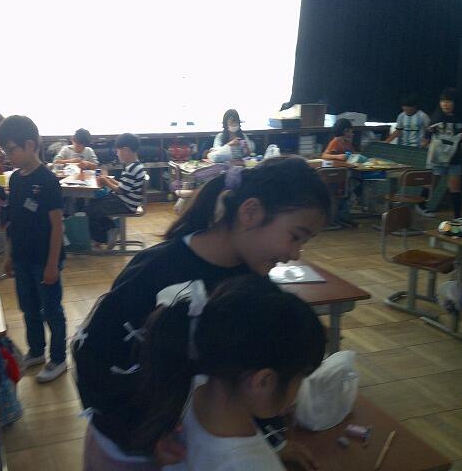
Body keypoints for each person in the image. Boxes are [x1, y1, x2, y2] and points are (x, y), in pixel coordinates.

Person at [73, 157, 330, 470]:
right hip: (127, 450)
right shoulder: (154, 272)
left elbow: (249, 374)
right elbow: (94, 361)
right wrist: (148, 437)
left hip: (195, 448)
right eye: (295, 236)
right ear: (250, 212)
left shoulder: (253, 285)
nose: (295, 254)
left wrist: (274, 440)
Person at [127, 275, 326, 471]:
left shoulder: (187, 387)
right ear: (263, 381)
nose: (298, 391)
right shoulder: (255, 465)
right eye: (300, 378)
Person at [0, 115, 68, 383]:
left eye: (10, 150)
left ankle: (58, 358)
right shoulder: (15, 179)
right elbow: (14, 222)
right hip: (22, 258)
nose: (8, 157)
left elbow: (57, 226)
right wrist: (10, 255)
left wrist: (52, 264)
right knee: (28, 308)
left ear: (29, 145)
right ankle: (37, 351)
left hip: (44, 260)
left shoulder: (48, 180)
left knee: (52, 310)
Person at [86, 133, 146, 248]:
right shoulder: (135, 166)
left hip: (125, 204)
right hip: (124, 201)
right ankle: (109, 230)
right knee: (94, 203)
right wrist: (110, 180)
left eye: (118, 151)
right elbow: (125, 186)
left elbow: (121, 190)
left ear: (126, 150)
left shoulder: (132, 168)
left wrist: (106, 181)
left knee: (91, 209)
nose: (117, 154)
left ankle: (105, 235)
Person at [419, 88, 462, 219]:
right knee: (431, 183)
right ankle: (421, 205)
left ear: (455, 103)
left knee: (455, 188)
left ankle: (457, 218)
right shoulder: (437, 116)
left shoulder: (461, 117)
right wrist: (427, 137)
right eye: (442, 101)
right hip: (438, 156)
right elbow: (427, 134)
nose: (445, 104)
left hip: (455, 157)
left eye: (448, 101)